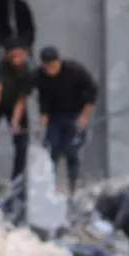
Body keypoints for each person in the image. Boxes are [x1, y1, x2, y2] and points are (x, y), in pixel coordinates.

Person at [36, 46, 99, 197]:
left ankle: (73, 188)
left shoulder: (74, 71)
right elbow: (43, 101)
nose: (50, 70)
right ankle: (50, 186)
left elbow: (92, 91)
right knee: (51, 150)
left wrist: (84, 116)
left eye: (53, 66)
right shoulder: (40, 76)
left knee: (71, 151)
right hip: (54, 117)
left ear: (59, 61)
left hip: (75, 115)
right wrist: (41, 124)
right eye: (47, 67)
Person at [0, 42, 36, 192]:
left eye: (19, 55)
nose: (17, 59)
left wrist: (15, 120)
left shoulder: (29, 69)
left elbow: (22, 98)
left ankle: (17, 182)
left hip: (16, 102)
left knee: (21, 142)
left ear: (24, 53)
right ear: (7, 54)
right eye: (13, 56)